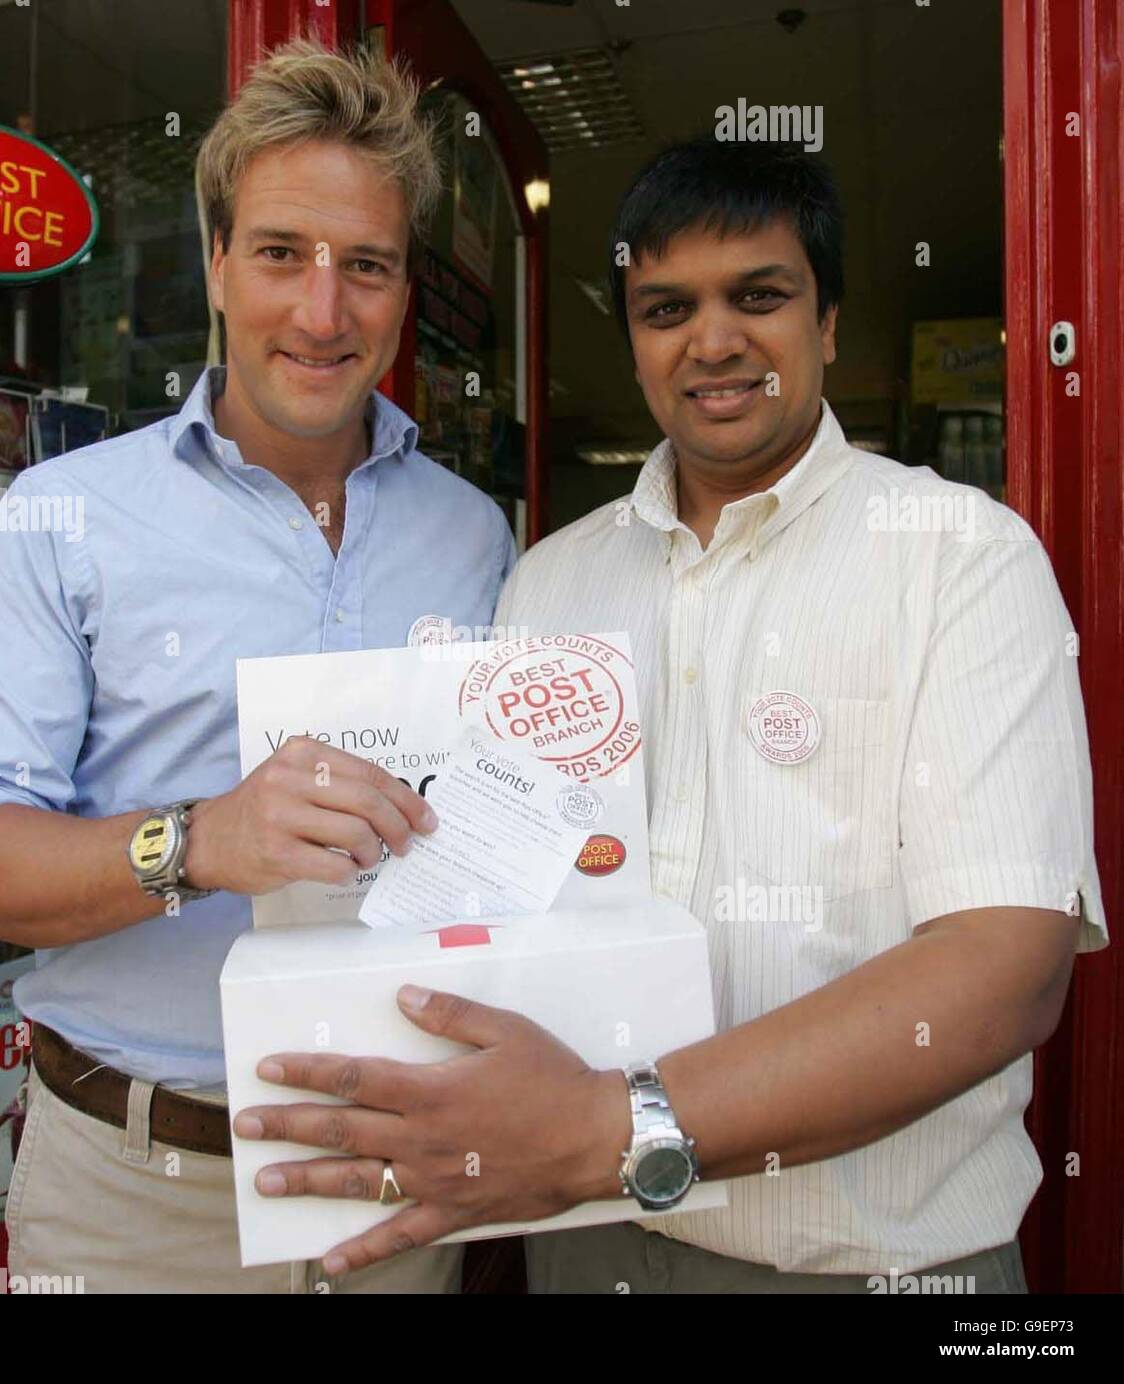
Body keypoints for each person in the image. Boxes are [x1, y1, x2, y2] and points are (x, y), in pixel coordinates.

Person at [233, 137, 1107, 1294]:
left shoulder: (961, 558)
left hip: (864, 1264)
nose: (712, 339)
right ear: (635, 339)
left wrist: (609, 1124)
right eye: (666, 306)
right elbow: (500, 890)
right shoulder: (550, 580)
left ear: (828, 321)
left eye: (759, 295)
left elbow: (1006, 964)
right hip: (584, 1241)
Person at [0, 38, 514, 1294]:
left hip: (398, 1178)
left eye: (368, 266)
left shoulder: (473, 533)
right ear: (219, 264)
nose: (322, 311)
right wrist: (190, 843)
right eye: (283, 253)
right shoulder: (60, 515)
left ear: (404, 292)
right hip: (137, 1198)